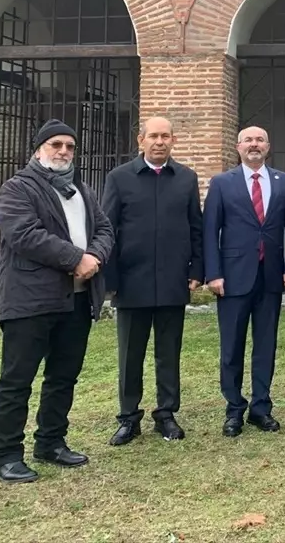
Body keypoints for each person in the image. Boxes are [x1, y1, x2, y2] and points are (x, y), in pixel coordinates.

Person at [0, 119, 114, 483]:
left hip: (76, 301)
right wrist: (76, 259)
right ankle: (6, 455)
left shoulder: (81, 190)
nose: (63, 151)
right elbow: (25, 234)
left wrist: (94, 256)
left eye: (70, 146)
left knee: (63, 377)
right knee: (17, 380)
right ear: (39, 149)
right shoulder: (18, 188)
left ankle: (51, 442)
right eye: (56, 144)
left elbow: (104, 229)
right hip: (31, 301)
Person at [101, 116, 204, 445]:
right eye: (154, 136)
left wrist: (196, 270)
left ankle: (166, 414)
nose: (159, 142)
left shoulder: (186, 178)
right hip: (131, 281)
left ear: (174, 141)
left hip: (173, 280)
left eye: (166, 136)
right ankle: (128, 417)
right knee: (130, 354)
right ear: (140, 140)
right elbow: (106, 230)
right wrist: (110, 278)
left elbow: (196, 228)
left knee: (168, 352)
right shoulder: (119, 178)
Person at [203, 126, 285, 436]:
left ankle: (261, 408)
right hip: (232, 279)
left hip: (270, 277)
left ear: (268, 147)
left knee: (265, 346)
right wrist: (213, 273)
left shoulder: (284, 182)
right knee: (231, 347)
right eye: (248, 140)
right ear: (238, 147)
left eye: (260, 140)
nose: (254, 144)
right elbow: (210, 231)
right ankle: (234, 410)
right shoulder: (222, 183)